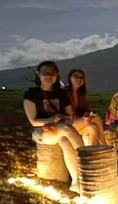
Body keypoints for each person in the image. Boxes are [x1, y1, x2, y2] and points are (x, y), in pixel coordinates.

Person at [23, 60, 84, 192]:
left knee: (66, 141)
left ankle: (76, 182)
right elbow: (33, 121)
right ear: (38, 74)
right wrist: (51, 119)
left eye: (52, 73)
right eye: (45, 73)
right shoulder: (31, 95)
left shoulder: (61, 94)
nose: (49, 76)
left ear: (57, 75)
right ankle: (87, 158)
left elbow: (70, 115)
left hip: (60, 129)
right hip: (42, 132)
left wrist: (63, 118)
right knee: (65, 128)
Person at [65, 68, 105, 145]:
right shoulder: (65, 93)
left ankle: (93, 152)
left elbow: (87, 109)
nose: (79, 79)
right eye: (76, 77)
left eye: (81, 78)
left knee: (93, 127)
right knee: (96, 118)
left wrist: (86, 115)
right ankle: (104, 144)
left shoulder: (80, 94)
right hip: (69, 124)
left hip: (79, 122)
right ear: (70, 78)